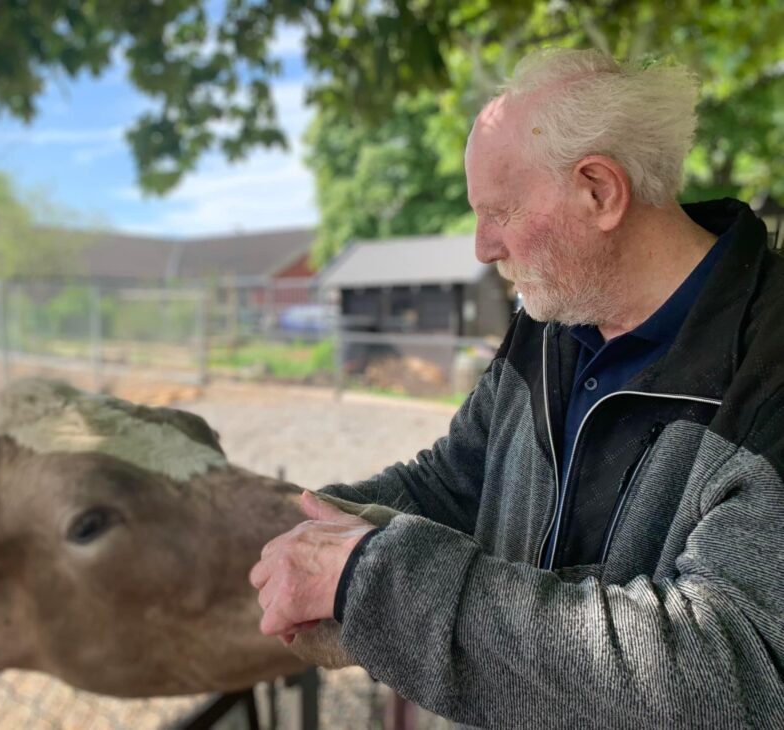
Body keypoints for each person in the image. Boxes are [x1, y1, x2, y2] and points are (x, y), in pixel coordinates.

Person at [249, 47, 784, 728]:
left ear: (598, 191)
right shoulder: (552, 319)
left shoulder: (767, 367)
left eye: (497, 211)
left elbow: (729, 673)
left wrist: (370, 581)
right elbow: (455, 484)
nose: (481, 247)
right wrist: (289, 527)